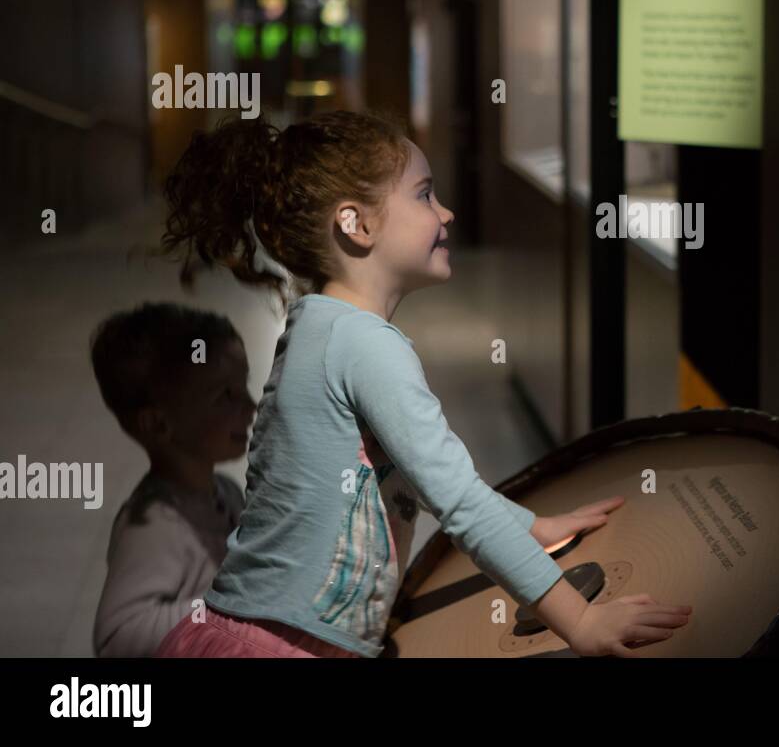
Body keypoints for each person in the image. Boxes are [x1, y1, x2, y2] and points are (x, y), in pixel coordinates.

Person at [152, 109, 690, 657]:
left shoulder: (320, 327)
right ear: (356, 224)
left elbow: (434, 486)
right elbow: (460, 503)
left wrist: (537, 527)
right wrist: (581, 622)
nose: (447, 212)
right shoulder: (366, 344)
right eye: (425, 195)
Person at [88, 303, 252, 657]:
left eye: (244, 388)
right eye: (226, 395)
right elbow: (117, 636)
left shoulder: (225, 492)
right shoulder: (154, 524)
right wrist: (230, 605)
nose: (251, 406)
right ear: (158, 423)